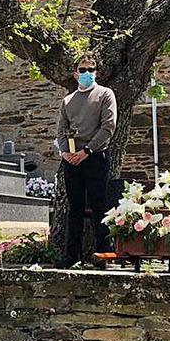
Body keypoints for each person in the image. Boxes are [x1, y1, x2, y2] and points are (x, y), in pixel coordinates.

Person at [55, 53, 117, 267]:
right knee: (75, 208)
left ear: (96, 72)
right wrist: (66, 153)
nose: (87, 73)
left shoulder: (105, 94)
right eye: (83, 70)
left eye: (91, 70)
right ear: (75, 74)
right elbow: (61, 131)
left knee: (99, 206)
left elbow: (108, 127)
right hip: (71, 160)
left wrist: (87, 151)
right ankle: (71, 256)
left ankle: (103, 253)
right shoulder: (67, 101)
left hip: (95, 157)